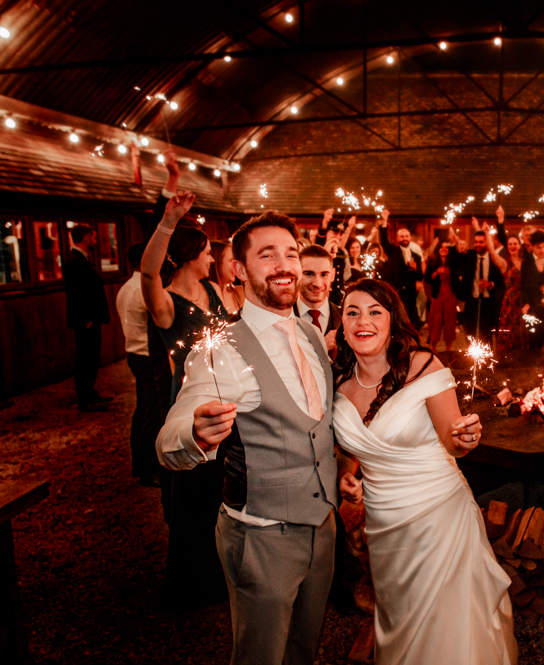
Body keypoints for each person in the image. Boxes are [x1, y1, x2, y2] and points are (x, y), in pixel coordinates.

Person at [156, 211, 339, 665]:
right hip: (262, 537)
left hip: (324, 529)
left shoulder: (314, 337)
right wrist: (195, 433)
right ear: (238, 269)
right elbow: (167, 441)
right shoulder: (222, 348)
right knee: (260, 654)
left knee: (304, 649)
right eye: (267, 254)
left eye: (291, 253)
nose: (284, 265)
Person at [331, 279, 517, 664]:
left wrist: (466, 438)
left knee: (448, 624)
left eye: (374, 311)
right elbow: (351, 449)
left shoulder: (423, 364)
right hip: (383, 524)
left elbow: (453, 442)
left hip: (439, 515)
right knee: (400, 617)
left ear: (392, 321)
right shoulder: (336, 380)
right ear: (342, 326)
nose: (362, 320)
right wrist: (347, 472)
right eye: (352, 312)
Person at [141, 191, 230, 609]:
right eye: (209, 252)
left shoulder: (214, 291)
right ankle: (189, 585)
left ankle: (219, 574)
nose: (213, 259)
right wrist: (168, 221)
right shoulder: (165, 306)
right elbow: (147, 272)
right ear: (192, 254)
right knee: (190, 493)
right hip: (183, 401)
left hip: (221, 395)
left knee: (217, 491)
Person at [116, 242, 161, 486]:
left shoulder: (126, 287)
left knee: (142, 410)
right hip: (145, 356)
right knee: (151, 414)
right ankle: (148, 469)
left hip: (133, 352)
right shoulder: (143, 289)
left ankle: (139, 463)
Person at [65, 223, 112, 411]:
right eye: (92, 237)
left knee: (92, 357)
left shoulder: (82, 259)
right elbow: (77, 293)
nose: (95, 241)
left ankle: (90, 392)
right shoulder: (75, 261)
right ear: (85, 238)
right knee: (85, 358)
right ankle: (84, 398)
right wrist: (87, 319)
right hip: (86, 321)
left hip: (91, 319)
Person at [377, 209, 422, 327]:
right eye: (402, 236)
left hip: (411, 293)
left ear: (410, 238)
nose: (405, 238)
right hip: (396, 291)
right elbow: (383, 240)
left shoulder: (416, 256)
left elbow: (420, 276)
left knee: (409, 319)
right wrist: (385, 220)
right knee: (395, 318)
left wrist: (416, 268)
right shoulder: (392, 251)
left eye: (407, 236)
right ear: (397, 238)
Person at [294, 244, 341, 355]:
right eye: (309, 274)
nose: (317, 284)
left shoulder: (344, 317)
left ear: (332, 275)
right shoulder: (280, 318)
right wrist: (321, 346)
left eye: (324, 274)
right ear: (297, 274)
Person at [464, 224, 507, 343]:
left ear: (487, 243)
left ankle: (487, 360)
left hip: (489, 303)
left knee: (487, 334)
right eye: (476, 242)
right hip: (472, 301)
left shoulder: (494, 259)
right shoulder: (470, 256)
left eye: (481, 242)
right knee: (470, 334)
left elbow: (501, 281)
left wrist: (490, 284)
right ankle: (470, 360)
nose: (478, 244)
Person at [495, 233, 529, 354]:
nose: (512, 246)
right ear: (507, 247)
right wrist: (486, 233)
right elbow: (493, 253)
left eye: (515, 243)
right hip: (509, 303)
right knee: (507, 332)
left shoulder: (526, 262)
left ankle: (521, 360)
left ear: (520, 246)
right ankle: (505, 360)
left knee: (522, 331)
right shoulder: (505, 263)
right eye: (510, 244)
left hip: (523, 301)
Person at [424, 240, 460, 351]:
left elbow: (457, 280)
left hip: (450, 295)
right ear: (438, 249)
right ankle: (433, 349)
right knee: (435, 321)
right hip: (437, 295)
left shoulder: (453, 262)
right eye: (441, 247)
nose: (444, 249)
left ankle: (448, 350)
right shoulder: (432, 262)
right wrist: (436, 273)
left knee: (450, 322)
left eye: (446, 247)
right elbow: (427, 279)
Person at [212, 240, 245, 314]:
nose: (236, 266)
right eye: (231, 261)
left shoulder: (240, 293)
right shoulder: (205, 297)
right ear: (217, 263)